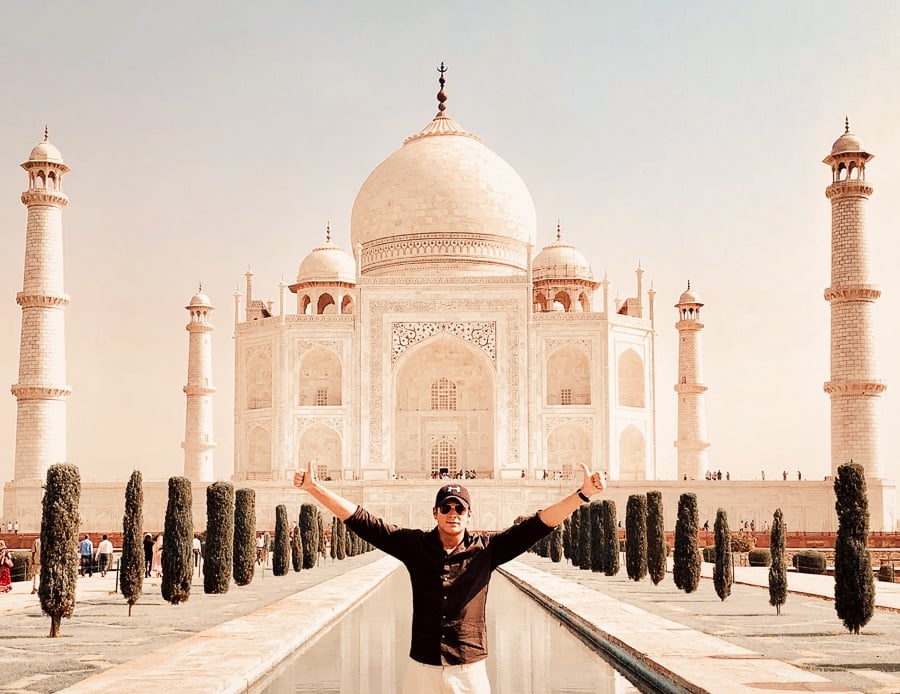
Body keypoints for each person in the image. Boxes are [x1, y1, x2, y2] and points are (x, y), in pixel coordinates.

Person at [294, 459, 606, 694]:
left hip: (468, 668)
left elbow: (537, 525)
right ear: (435, 513)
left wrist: (582, 495)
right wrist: (314, 488)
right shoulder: (416, 547)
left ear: (469, 514)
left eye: (459, 508)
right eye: (446, 507)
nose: (453, 513)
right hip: (423, 668)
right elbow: (364, 522)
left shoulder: (487, 550)